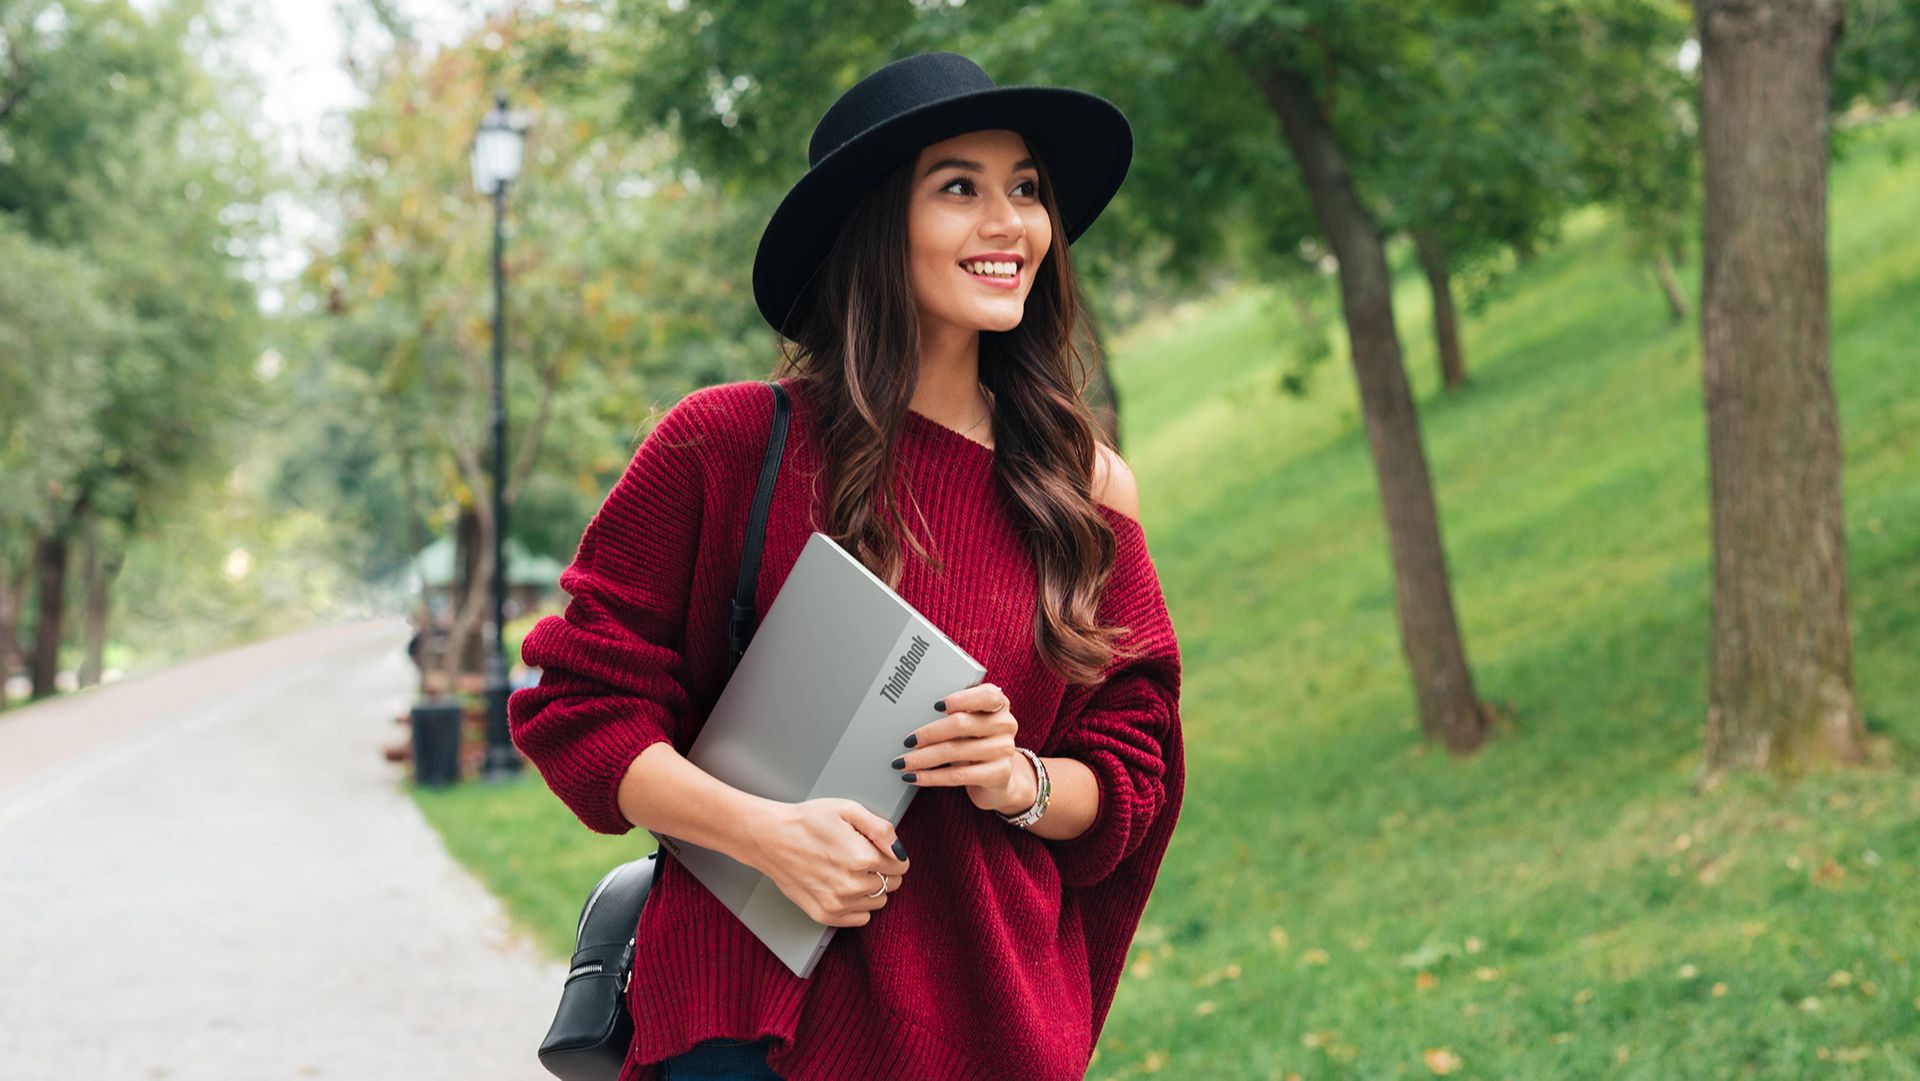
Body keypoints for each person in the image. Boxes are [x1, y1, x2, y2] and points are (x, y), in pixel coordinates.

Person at [507, 51, 1184, 1081]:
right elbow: (580, 704)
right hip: (748, 1024)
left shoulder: (1083, 486)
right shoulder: (726, 444)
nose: (1010, 223)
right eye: (959, 187)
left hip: (983, 1027)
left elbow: (1137, 769)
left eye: (1027, 189)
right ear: (876, 223)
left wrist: (1017, 777)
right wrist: (765, 835)